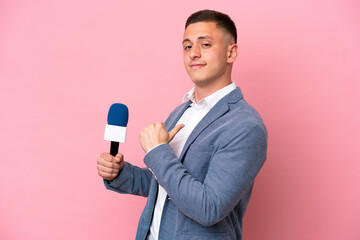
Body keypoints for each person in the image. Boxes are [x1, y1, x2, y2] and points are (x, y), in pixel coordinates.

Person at [97, 9, 267, 240]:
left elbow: (210, 208)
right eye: (187, 46)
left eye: (205, 44)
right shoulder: (181, 112)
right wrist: (119, 174)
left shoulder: (245, 126)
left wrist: (158, 151)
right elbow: (166, 186)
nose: (193, 54)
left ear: (231, 52)